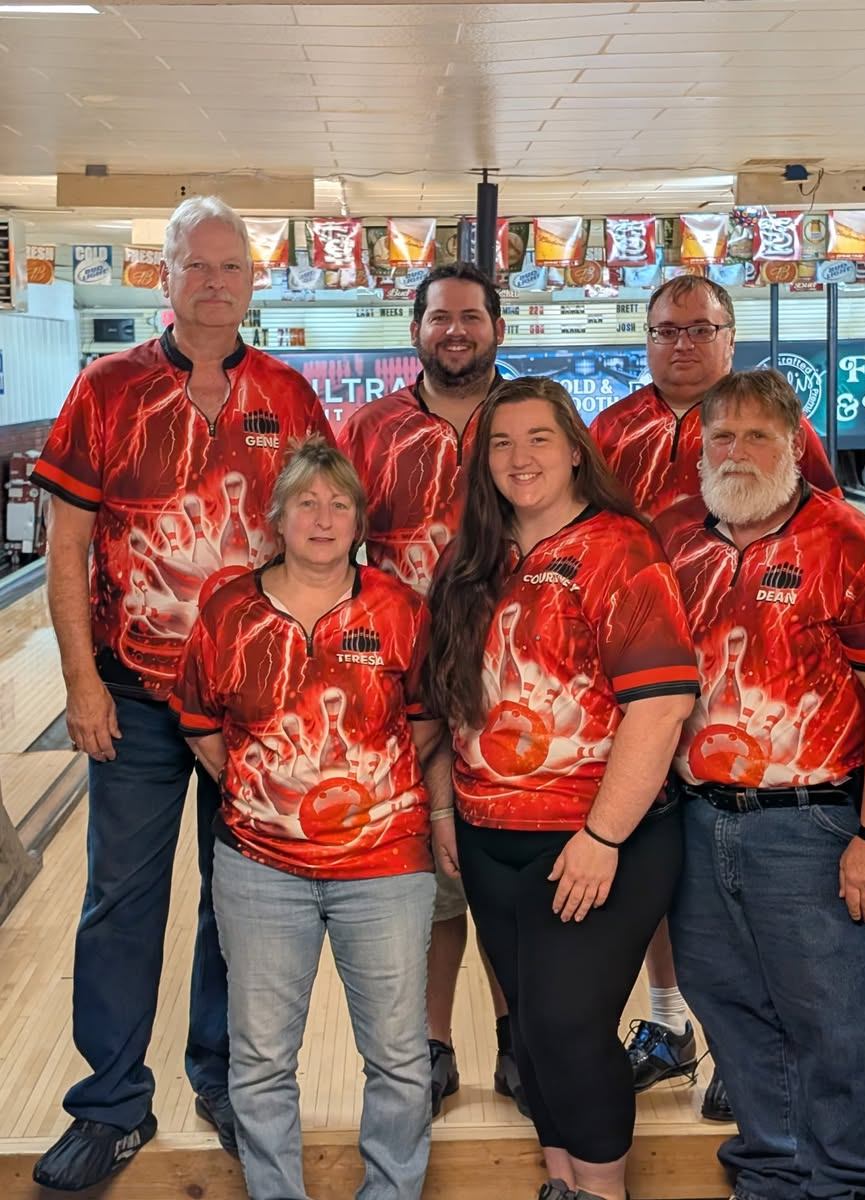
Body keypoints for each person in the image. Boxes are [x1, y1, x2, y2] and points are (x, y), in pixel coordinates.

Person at [31, 196, 334, 1191]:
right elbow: (67, 546)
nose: (212, 283)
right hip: (134, 694)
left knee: (239, 907)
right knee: (120, 900)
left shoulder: (288, 395)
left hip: (253, 708)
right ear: (162, 277)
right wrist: (81, 681)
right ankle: (111, 1104)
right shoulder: (106, 388)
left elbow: (324, 539)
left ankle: (228, 1084)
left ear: (255, 282)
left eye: (229, 268)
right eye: (193, 266)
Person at [427, 377, 700, 1200]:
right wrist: (445, 809)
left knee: (566, 1026)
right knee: (530, 1036)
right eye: (502, 444)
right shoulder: (473, 557)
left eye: (539, 438)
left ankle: (602, 1190)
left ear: (576, 448)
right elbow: (443, 703)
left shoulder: (622, 548)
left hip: (595, 839)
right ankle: (561, 1180)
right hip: (487, 836)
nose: (520, 458)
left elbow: (661, 705)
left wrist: (604, 836)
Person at [655, 369, 865, 1200]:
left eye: (757, 436)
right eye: (722, 437)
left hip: (813, 827)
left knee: (836, 1037)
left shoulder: (850, 546)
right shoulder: (674, 539)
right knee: (734, 1020)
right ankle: (770, 1179)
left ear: (794, 445)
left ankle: (848, 1186)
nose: (736, 451)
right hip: (699, 823)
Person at [591, 275, 839, 1120]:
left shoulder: (778, 426)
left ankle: (751, 1047)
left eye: (702, 329)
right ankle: (669, 1028)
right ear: (646, 340)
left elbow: (825, 545)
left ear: (731, 339)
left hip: (761, 701)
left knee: (753, 887)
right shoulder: (612, 431)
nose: (684, 344)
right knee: (670, 872)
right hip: (650, 691)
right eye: (667, 330)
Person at [171, 437, 441, 1200]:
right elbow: (197, 719)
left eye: (340, 504)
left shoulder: (399, 610)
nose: (323, 518)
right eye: (306, 504)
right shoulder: (230, 607)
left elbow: (423, 719)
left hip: (384, 864)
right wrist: (267, 792)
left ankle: (389, 1192)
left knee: (395, 1053)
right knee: (259, 1059)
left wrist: (363, 788)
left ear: (359, 521)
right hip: (260, 868)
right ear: (277, 517)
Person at [339, 261, 526, 1117]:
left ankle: (521, 1036)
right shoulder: (368, 428)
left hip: (522, 685)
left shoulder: (531, 421)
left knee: (507, 874)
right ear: (415, 330)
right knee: (432, 875)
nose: (457, 330)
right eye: (440, 318)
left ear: (497, 328)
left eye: (472, 317)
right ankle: (435, 1043)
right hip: (401, 689)